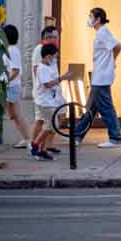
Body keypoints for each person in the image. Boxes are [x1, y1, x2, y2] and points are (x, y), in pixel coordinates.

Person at [84, 7, 121, 148]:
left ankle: (115, 138)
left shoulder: (102, 32)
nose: (89, 19)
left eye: (90, 16)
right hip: (99, 75)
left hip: (102, 76)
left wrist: (112, 60)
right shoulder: (101, 33)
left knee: (106, 108)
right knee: (91, 107)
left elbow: (118, 46)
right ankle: (77, 135)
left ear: (98, 19)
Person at [32, 44, 72, 161]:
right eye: (54, 57)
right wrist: (62, 78)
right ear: (48, 56)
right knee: (50, 125)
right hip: (44, 102)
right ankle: (35, 144)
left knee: (51, 126)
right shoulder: (41, 68)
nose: (55, 59)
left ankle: (42, 150)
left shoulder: (47, 67)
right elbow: (47, 84)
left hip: (50, 101)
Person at [30, 26, 64, 154]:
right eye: (53, 37)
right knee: (41, 120)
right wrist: (50, 82)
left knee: (60, 115)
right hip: (45, 93)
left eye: (56, 37)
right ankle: (34, 144)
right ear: (46, 38)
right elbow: (37, 70)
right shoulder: (40, 50)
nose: (55, 39)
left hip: (54, 91)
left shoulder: (52, 50)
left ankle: (46, 145)